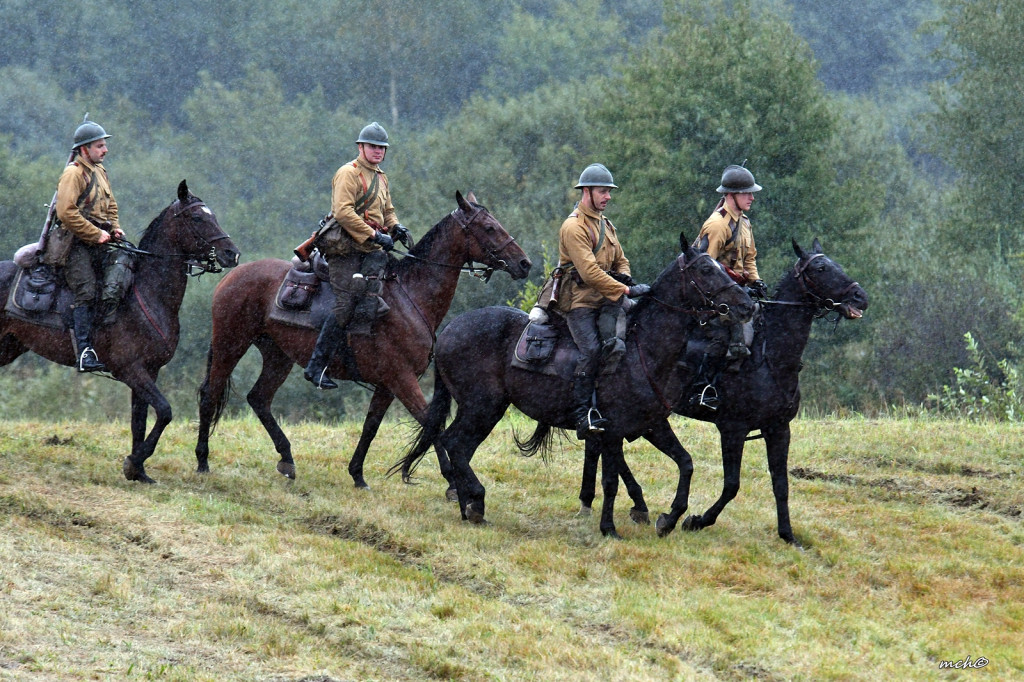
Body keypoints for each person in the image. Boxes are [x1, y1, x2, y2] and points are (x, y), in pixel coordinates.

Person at [303, 121, 412, 390]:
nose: (378, 151)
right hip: (345, 250)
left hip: (371, 251)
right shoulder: (348, 173)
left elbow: (388, 210)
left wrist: (395, 226)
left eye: (382, 148)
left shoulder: (381, 177)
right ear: (361, 147)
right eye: (373, 146)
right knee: (348, 300)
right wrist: (375, 235)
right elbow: (343, 212)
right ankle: (317, 365)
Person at [558, 163, 647, 439]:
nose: (608, 196)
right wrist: (623, 290)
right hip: (580, 303)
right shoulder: (574, 227)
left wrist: (626, 280)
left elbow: (622, 260)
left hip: (608, 299)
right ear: (587, 192)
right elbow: (589, 272)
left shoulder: (606, 224)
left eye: (609, 191)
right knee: (592, 351)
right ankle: (583, 413)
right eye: (602, 191)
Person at [46, 120, 125, 373]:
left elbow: (110, 205)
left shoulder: (100, 171)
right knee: (87, 291)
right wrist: (95, 234)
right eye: (100, 146)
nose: (105, 150)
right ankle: (84, 352)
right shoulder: (73, 174)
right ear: (84, 150)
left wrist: (114, 228)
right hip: (74, 244)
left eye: (104, 145)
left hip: (97, 240)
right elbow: (66, 212)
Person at [689, 163, 766, 406]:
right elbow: (705, 269)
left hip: (737, 294)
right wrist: (735, 283)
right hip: (713, 298)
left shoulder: (745, 223)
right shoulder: (717, 225)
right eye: (747, 193)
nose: (752, 197)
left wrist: (756, 281)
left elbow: (750, 259)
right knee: (721, 339)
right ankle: (703, 388)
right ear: (730, 195)